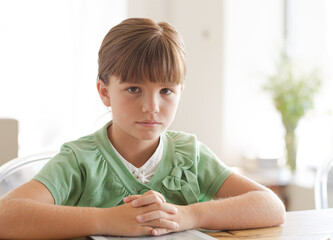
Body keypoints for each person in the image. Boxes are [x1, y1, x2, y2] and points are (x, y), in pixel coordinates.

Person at [0, 18, 285, 239]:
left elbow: (271, 206)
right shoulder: (79, 161)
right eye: (134, 89)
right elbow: (5, 215)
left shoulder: (190, 154)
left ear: (180, 91)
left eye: (166, 91)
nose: (152, 106)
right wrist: (107, 220)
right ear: (104, 92)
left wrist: (186, 216)